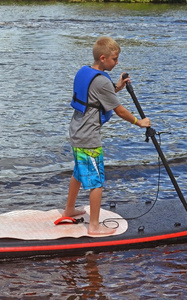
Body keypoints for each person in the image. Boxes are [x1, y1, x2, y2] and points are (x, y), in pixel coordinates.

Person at [63, 36, 151, 235]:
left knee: (78, 172)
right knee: (97, 181)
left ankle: (69, 209)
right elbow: (119, 110)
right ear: (103, 58)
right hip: (88, 138)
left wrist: (117, 87)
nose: (117, 62)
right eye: (114, 59)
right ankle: (94, 226)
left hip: (76, 131)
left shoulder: (86, 71)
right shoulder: (102, 81)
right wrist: (139, 122)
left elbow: (97, 93)